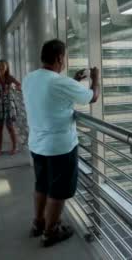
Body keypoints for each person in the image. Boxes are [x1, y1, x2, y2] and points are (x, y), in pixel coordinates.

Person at [22, 39, 99, 247]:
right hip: (60, 147)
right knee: (58, 191)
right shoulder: (59, 83)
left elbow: (52, 96)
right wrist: (96, 78)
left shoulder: (29, 78)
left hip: (37, 144)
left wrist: (73, 80)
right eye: (63, 57)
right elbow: (92, 97)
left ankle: (38, 223)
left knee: (42, 185)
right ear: (59, 58)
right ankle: (50, 232)